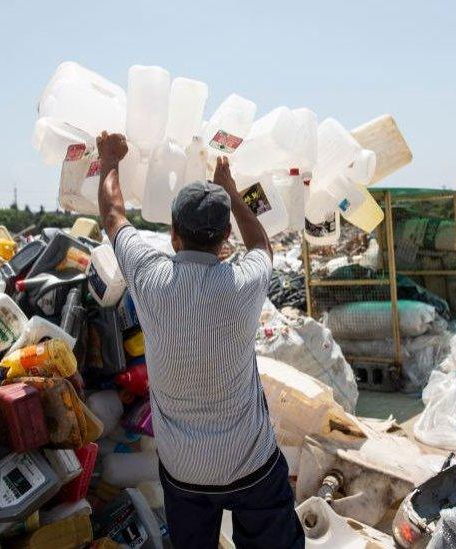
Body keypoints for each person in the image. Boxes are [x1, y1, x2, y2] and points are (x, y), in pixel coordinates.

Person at [94, 131, 304, 548]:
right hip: (251, 465)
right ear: (226, 236)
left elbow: (113, 215)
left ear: (174, 233)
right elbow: (261, 243)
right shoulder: (244, 282)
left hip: (184, 472)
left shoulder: (151, 278)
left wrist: (110, 159)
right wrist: (231, 189)